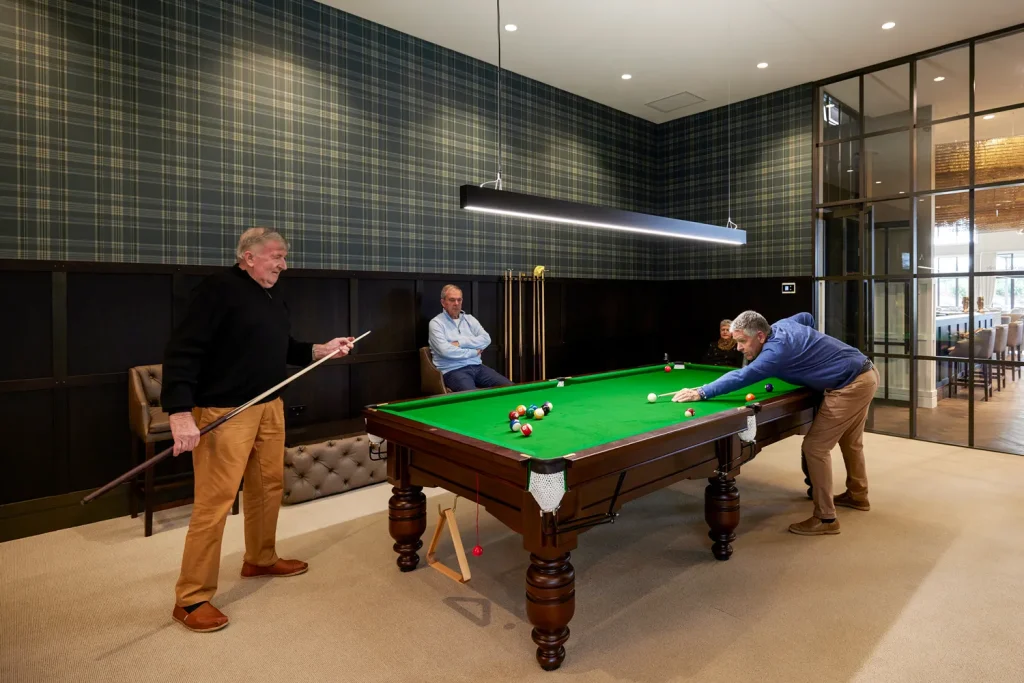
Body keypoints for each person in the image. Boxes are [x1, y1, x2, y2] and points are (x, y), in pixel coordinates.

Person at [161, 227, 354, 633]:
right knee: (214, 504)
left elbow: (283, 347)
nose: (283, 264)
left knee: (268, 487)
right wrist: (179, 412)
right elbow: (183, 350)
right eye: (276, 256)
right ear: (248, 256)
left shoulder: (271, 294)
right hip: (223, 411)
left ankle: (260, 558)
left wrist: (321, 349)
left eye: (284, 257)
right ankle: (191, 597)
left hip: (270, 406)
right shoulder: (217, 289)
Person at [673, 310, 878, 536]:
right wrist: (814, 352)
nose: (739, 347)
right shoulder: (780, 325)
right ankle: (858, 495)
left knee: (815, 448)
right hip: (865, 373)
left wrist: (702, 392)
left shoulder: (773, 353)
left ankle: (826, 519)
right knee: (851, 442)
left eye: (742, 341)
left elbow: (742, 377)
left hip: (850, 386)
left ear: (760, 336)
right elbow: (806, 317)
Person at [428, 284, 512, 392]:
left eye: (459, 300)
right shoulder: (436, 323)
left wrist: (460, 343)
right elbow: (445, 351)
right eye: (452, 300)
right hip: (453, 371)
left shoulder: (470, 319)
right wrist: (474, 352)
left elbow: (486, 339)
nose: (456, 304)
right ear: (443, 302)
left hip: (477, 367)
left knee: (510, 387)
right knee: (473, 396)